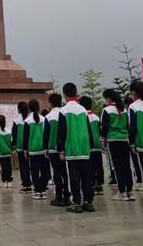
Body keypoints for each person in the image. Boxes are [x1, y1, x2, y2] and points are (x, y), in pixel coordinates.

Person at [57, 83, 95, 213]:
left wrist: (61, 149)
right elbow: (89, 130)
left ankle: (76, 202)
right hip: (84, 148)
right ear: (76, 93)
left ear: (64, 95)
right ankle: (88, 201)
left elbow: (62, 131)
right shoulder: (83, 110)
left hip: (72, 148)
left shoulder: (63, 111)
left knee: (73, 176)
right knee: (86, 176)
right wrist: (90, 145)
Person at [101, 89, 134, 201]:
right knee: (126, 166)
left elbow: (104, 127)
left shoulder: (106, 110)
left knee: (117, 166)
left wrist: (103, 140)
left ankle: (122, 192)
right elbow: (128, 126)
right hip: (124, 140)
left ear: (108, 98)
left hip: (113, 140)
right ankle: (130, 191)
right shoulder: (124, 110)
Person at [43, 93, 70, 206]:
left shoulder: (48, 117)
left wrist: (45, 149)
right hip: (65, 148)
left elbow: (46, 135)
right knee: (65, 173)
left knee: (57, 173)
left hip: (53, 149)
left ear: (50, 103)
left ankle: (59, 196)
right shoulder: (64, 113)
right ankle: (67, 194)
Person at [23, 99, 49, 200]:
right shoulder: (44, 119)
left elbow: (26, 138)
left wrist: (25, 150)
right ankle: (43, 190)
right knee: (44, 171)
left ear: (29, 108)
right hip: (43, 150)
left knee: (34, 171)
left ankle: (37, 191)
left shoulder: (27, 121)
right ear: (38, 107)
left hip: (32, 151)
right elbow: (46, 135)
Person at [79, 96, 104, 196]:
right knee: (99, 166)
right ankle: (99, 185)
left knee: (90, 167)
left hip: (88, 146)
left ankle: (92, 184)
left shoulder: (83, 117)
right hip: (97, 145)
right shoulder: (96, 117)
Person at [124, 95, 143, 191]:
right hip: (141, 139)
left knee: (135, 162)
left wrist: (131, 143)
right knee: (141, 162)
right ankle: (142, 181)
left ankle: (140, 181)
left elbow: (130, 127)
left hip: (133, 140)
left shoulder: (129, 111)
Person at [12, 101, 32, 194]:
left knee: (23, 166)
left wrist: (14, 145)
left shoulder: (16, 120)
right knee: (32, 166)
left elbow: (14, 135)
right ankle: (34, 184)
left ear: (19, 109)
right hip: (31, 146)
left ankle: (26, 185)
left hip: (20, 147)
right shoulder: (31, 118)